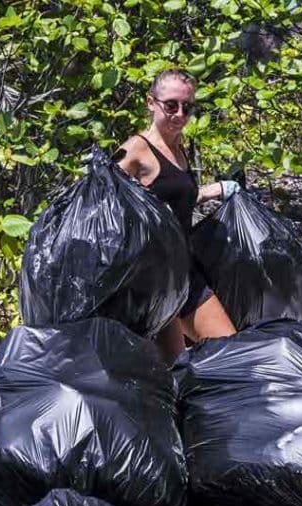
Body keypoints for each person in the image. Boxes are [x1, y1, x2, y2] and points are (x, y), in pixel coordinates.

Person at [115, 68, 238, 359]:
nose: (180, 114)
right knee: (176, 369)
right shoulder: (136, 149)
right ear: (151, 103)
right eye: (171, 105)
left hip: (183, 271)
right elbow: (102, 199)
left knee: (231, 351)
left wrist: (214, 189)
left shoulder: (179, 148)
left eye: (188, 107)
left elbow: (175, 197)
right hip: (152, 280)